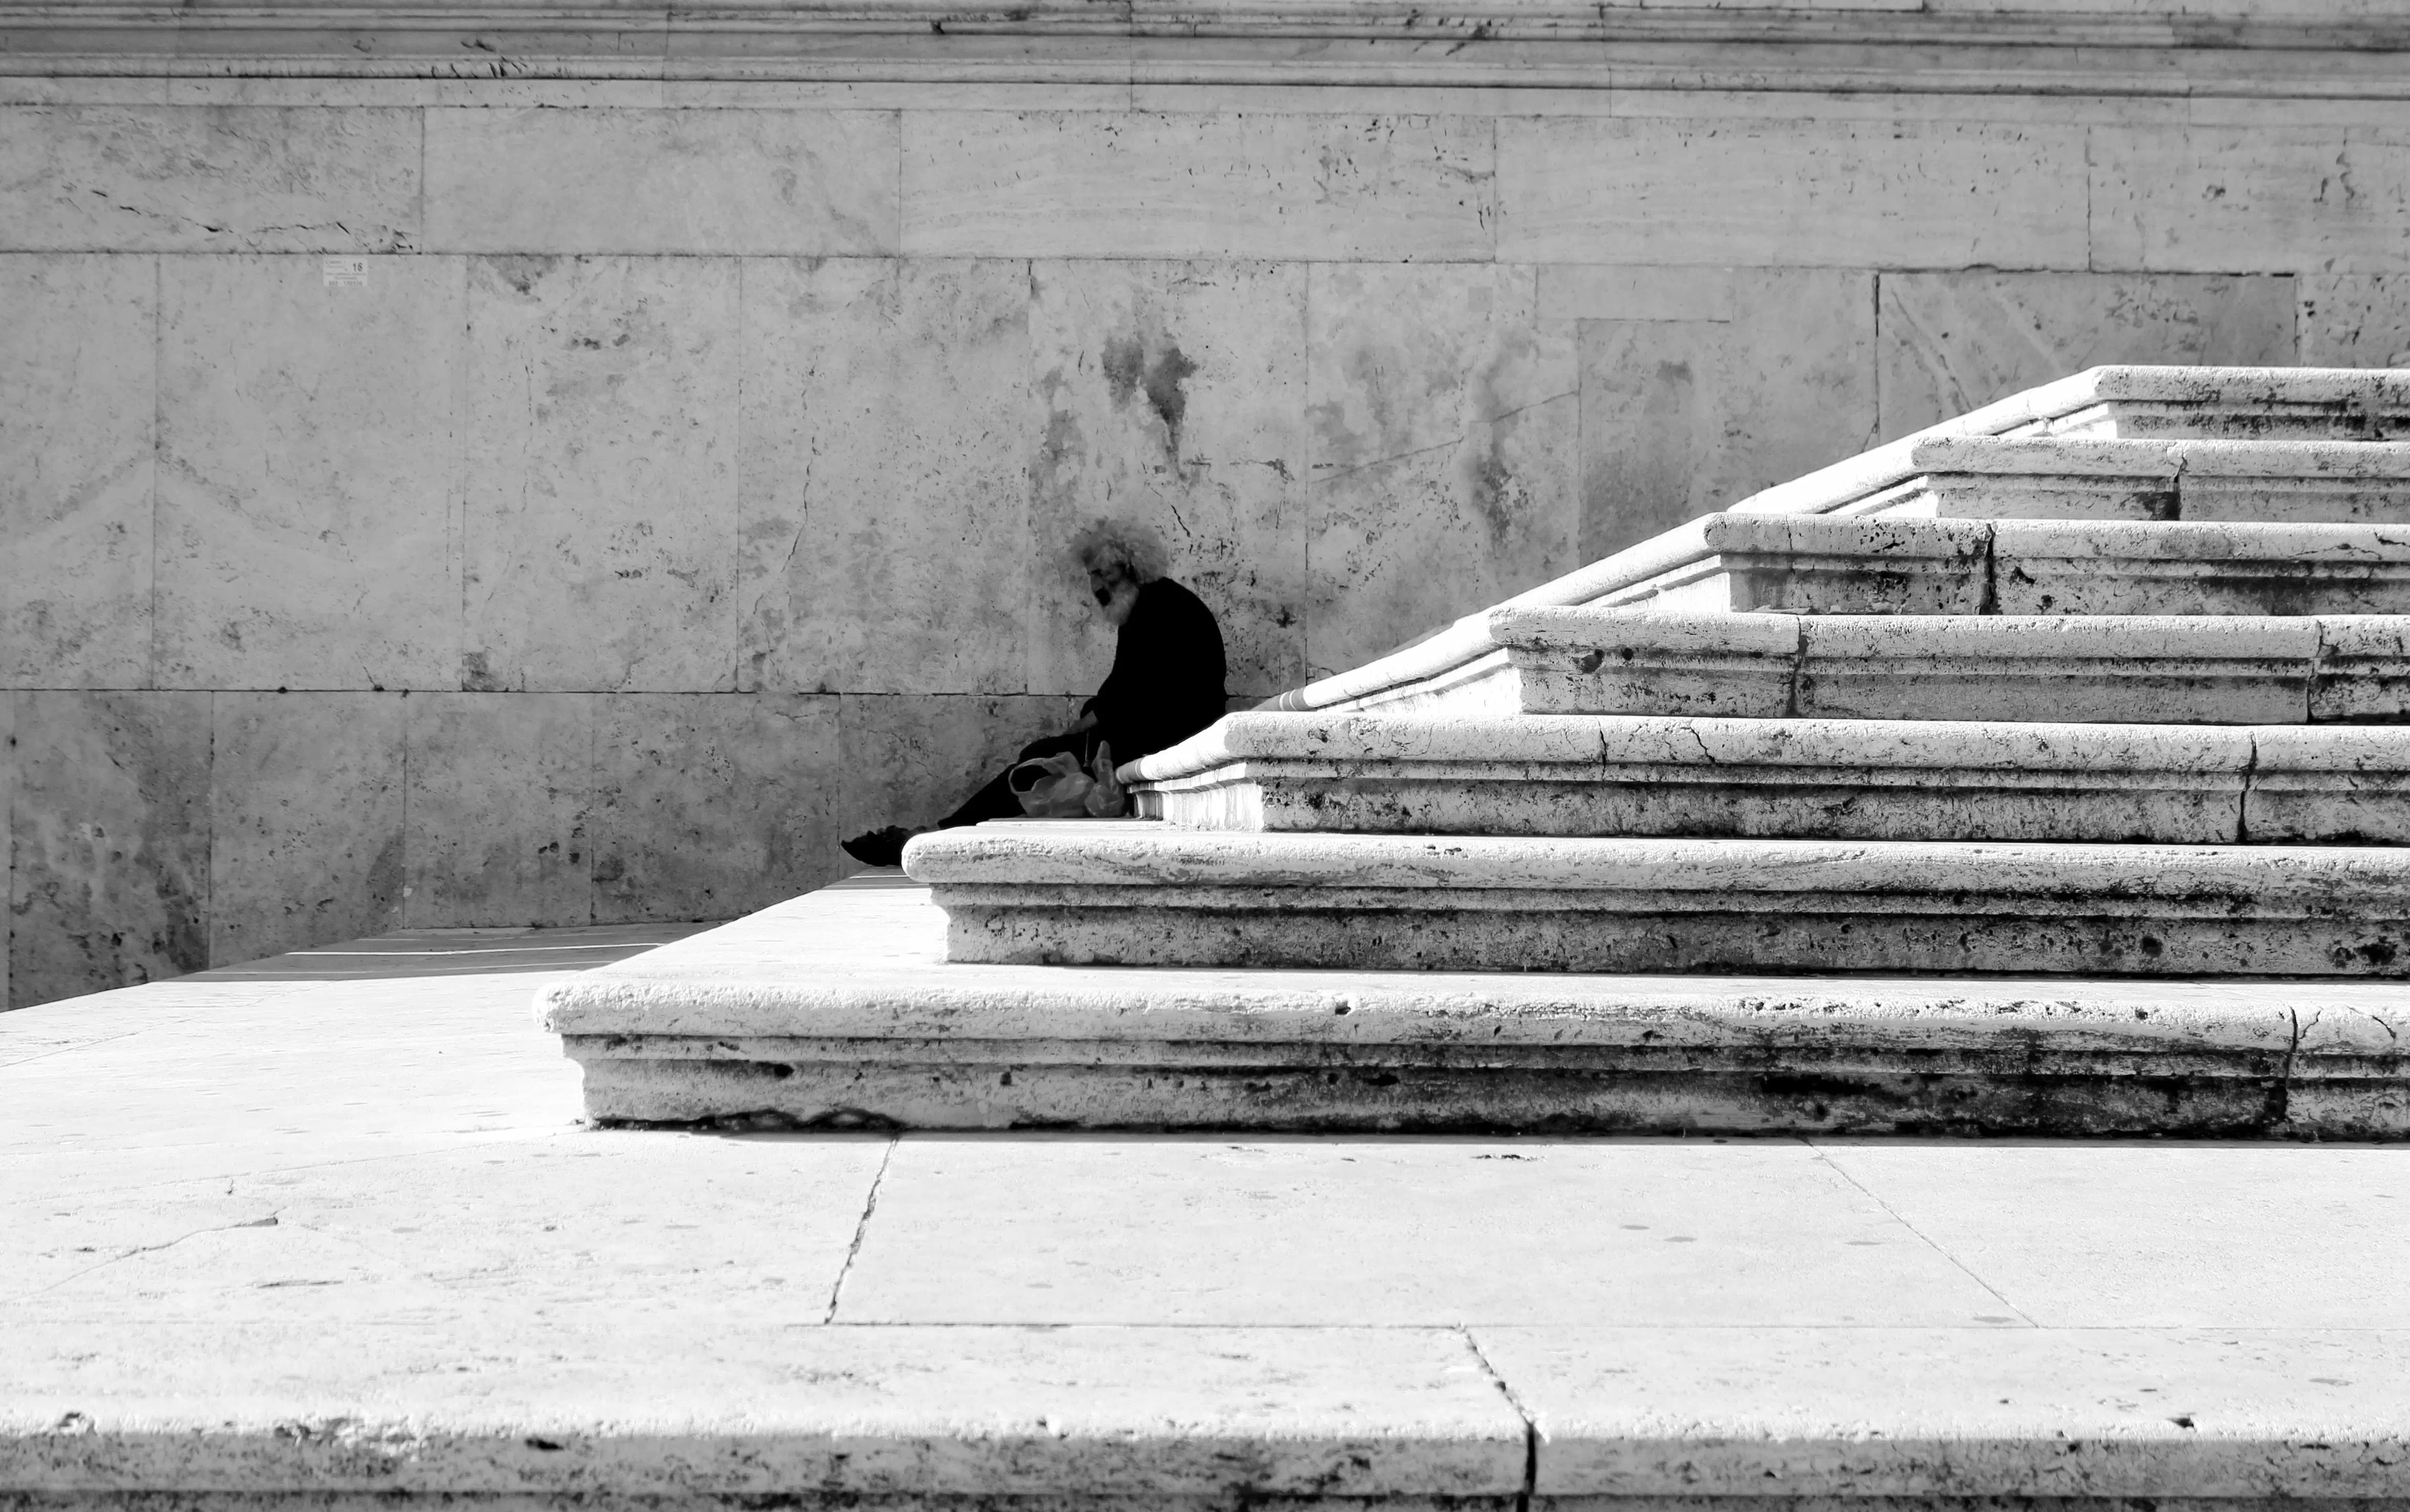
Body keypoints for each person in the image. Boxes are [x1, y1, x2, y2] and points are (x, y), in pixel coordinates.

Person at [840, 522, 1227, 868]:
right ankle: (933, 833)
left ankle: (930, 836)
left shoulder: (1156, 609)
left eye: (1097, 574)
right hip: (1161, 729)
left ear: (1124, 567)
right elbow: (1127, 691)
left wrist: (1075, 731)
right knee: (1038, 760)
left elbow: (1126, 697)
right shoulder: (1154, 604)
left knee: (1036, 765)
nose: (1093, 587)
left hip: (1171, 734)